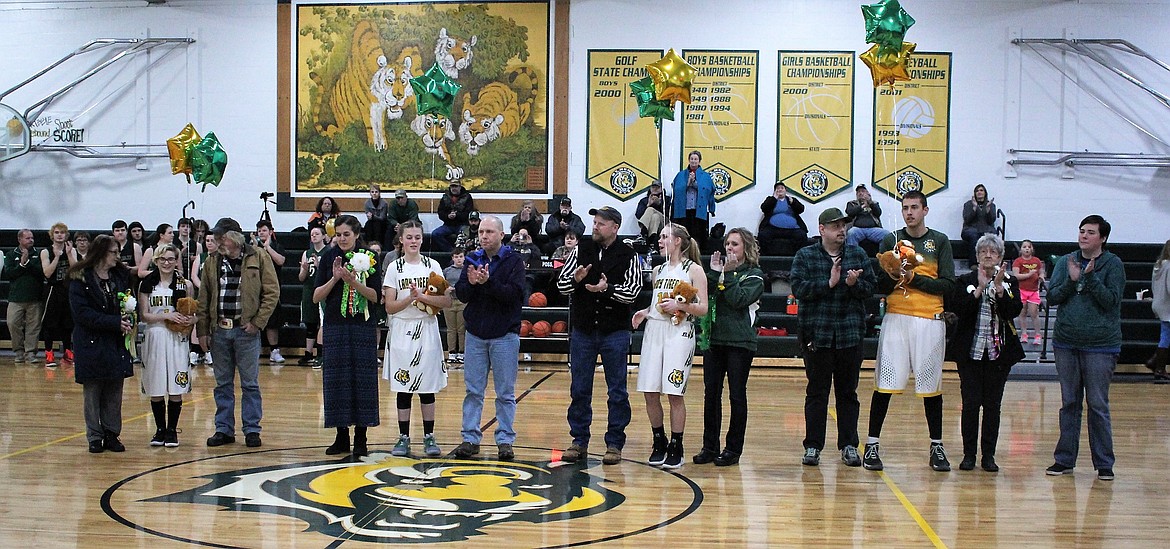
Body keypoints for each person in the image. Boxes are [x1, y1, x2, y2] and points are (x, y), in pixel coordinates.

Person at [864, 190, 956, 472]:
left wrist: (914, 279)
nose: (909, 213)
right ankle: (871, 445)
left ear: (925, 210)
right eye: (905, 208)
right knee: (885, 382)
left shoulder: (939, 241)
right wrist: (892, 276)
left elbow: (949, 285)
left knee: (931, 387)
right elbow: (878, 285)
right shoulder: (890, 239)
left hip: (930, 318)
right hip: (897, 317)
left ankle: (937, 446)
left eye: (914, 207)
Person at [557, 206, 643, 465]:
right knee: (580, 388)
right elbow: (561, 285)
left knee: (617, 390)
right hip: (583, 329)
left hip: (614, 331)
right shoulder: (580, 250)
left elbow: (633, 291)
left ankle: (614, 442)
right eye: (594, 222)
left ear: (615, 227)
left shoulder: (629, 255)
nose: (595, 227)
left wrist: (607, 290)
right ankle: (579, 440)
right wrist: (576, 279)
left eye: (601, 223)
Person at [790, 208, 876, 467]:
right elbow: (799, 289)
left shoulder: (858, 254)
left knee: (847, 393)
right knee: (817, 392)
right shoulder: (805, 256)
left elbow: (870, 288)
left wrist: (853, 285)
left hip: (850, 335)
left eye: (843, 226)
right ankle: (813, 446)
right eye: (835, 226)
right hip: (817, 335)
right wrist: (828, 283)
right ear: (822, 229)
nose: (841, 230)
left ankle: (849, 444)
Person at [1045, 215, 1124, 481]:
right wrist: (1071, 280)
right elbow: (1053, 296)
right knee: (1069, 403)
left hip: (1100, 346)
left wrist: (1089, 279)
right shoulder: (1068, 261)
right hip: (1066, 342)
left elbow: (1111, 301)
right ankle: (1064, 460)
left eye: (1090, 232)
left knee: (1098, 404)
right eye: (1081, 231)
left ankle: (1104, 463)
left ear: (1102, 238)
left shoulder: (1113, 265)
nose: (1084, 236)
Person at [196, 217, 280, 448]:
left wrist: (258, 323)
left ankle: (252, 430)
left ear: (233, 237)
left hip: (247, 332)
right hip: (219, 331)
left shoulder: (259, 256)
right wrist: (202, 330)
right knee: (222, 383)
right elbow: (204, 297)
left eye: (221, 237)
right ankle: (224, 429)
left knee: (250, 383)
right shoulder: (212, 261)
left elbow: (272, 292)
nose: (217, 241)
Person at [631, 223, 708, 469]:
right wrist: (644, 312)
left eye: (665, 237)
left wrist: (681, 306)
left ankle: (677, 444)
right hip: (654, 330)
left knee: (674, 392)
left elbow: (703, 308)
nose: (660, 240)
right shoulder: (658, 270)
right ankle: (658, 440)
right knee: (650, 391)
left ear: (678, 241)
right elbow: (657, 303)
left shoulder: (694, 270)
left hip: (679, 332)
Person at [947, 234, 1024, 472]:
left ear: (1000, 257)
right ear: (977, 256)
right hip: (970, 353)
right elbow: (960, 310)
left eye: (993, 252)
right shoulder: (966, 280)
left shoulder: (1009, 282)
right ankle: (969, 454)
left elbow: (1013, 310)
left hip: (998, 355)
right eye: (983, 252)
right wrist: (980, 287)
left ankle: (988, 456)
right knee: (970, 404)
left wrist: (999, 289)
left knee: (992, 406)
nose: (988, 255)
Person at [454, 215, 526, 461]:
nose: (484, 236)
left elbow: (514, 295)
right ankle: (470, 438)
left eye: (489, 232)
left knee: (505, 392)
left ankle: (505, 440)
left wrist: (487, 282)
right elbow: (462, 294)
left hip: (505, 335)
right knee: (473, 390)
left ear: (501, 235)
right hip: (475, 335)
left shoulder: (514, 261)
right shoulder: (472, 259)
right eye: (482, 232)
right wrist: (473, 284)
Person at [313, 215, 384, 457]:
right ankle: (341, 436)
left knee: (362, 381)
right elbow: (316, 297)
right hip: (335, 325)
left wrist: (354, 283)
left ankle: (361, 438)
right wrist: (335, 278)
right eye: (339, 234)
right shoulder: (327, 258)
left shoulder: (370, 258)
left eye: (346, 234)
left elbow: (375, 297)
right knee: (337, 381)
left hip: (362, 326)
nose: (342, 238)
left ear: (356, 234)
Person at [693, 228, 765, 466]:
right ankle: (709, 446)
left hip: (740, 342)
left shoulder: (755, 275)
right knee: (711, 394)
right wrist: (715, 275)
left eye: (735, 244)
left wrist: (729, 275)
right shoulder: (719, 271)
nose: (729, 248)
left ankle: (733, 449)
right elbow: (706, 298)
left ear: (746, 247)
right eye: (727, 244)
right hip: (714, 340)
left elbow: (738, 300)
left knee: (736, 395)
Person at [382, 220, 451, 457]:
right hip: (402, 329)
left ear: (422, 239)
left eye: (417, 237)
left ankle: (429, 436)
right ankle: (403, 437)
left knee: (427, 386)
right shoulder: (394, 267)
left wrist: (423, 297)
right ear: (401, 239)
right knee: (404, 387)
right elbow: (390, 307)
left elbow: (445, 302)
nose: (413, 241)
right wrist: (410, 299)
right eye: (409, 237)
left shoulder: (433, 266)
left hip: (427, 328)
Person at [68, 234, 134, 453]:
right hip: (91, 342)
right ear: (101, 253)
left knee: (115, 390)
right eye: (113, 252)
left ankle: (112, 433)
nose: (117, 257)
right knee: (93, 391)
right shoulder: (81, 278)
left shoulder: (120, 276)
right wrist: (114, 322)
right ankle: (94, 436)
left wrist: (128, 318)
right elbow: (82, 314)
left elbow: (127, 302)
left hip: (116, 341)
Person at [138, 244, 194, 447]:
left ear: (177, 260)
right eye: (163, 259)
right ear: (156, 261)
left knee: (176, 385)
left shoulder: (185, 284)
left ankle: (172, 430)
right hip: (155, 335)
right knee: (156, 385)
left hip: (176, 338)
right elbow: (144, 315)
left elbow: (193, 314)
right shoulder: (147, 283)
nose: (167, 263)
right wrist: (166, 315)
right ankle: (159, 429)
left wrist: (190, 321)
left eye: (171, 259)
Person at [4, 228, 44, 363]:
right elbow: (9, 274)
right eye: (27, 238)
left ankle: (30, 353)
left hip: (35, 297)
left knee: (34, 327)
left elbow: (41, 272)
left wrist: (27, 262)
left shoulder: (38, 254)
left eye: (32, 238)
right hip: (16, 297)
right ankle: (18, 351)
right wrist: (21, 264)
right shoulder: (10, 255)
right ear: (19, 239)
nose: (31, 240)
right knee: (12, 323)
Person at [40, 223, 76, 367]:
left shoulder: (71, 250)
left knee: (67, 323)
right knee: (49, 323)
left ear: (66, 235)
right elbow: (47, 273)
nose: (60, 235)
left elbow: (76, 270)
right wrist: (56, 257)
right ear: (52, 235)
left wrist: (68, 254)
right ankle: (49, 353)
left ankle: (67, 352)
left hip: (67, 288)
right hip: (53, 289)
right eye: (57, 232)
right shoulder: (46, 251)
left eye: (62, 232)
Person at [252, 220, 288, 363]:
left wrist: (268, 248)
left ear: (271, 232)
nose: (261, 233)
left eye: (264, 230)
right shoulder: (253, 247)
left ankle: (274, 350)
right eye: (259, 231)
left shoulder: (277, 246)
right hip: (255, 289)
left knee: (272, 322)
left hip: (272, 290)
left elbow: (281, 261)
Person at [671, 151, 717, 252]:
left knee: (698, 234)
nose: (693, 161)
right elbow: (676, 190)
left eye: (696, 159)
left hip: (698, 211)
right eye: (692, 159)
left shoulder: (705, 176)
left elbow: (708, 190)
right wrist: (687, 183)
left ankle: (697, 252)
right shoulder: (680, 175)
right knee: (684, 233)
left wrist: (695, 183)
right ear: (689, 160)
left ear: (699, 161)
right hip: (684, 210)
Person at [298, 226, 327, 366]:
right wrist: (304, 269)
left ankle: (321, 354)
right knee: (310, 323)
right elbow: (301, 278)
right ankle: (308, 353)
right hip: (309, 289)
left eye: (317, 233)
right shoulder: (307, 253)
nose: (314, 236)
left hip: (323, 289)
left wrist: (318, 265)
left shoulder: (328, 252)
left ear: (323, 236)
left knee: (323, 322)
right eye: (312, 234)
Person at [188, 232, 218, 366]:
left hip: (216, 294)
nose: (209, 243)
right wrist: (203, 287)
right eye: (207, 240)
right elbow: (194, 276)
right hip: (201, 294)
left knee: (212, 322)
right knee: (198, 320)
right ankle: (194, 351)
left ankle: (209, 351)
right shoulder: (201, 257)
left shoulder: (220, 258)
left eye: (212, 240)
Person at [757, 182, 808, 256]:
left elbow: (801, 209)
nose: (780, 190)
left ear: (785, 190)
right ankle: (766, 258)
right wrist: (774, 199)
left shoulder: (791, 200)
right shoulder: (770, 199)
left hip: (792, 229)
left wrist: (793, 202)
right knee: (763, 235)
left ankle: (798, 257)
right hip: (773, 228)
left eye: (782, 188)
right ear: (775, 191)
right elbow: (764, 208)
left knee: (802, 235)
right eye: (777, 189)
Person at [1012, 239, 1046, 345]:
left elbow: (1041, 272)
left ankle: (1037, 335)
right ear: (1021, 249)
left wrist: (1041, 277)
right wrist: (1029, 274)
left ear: (1032, 249)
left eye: (1029, 247)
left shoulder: (1036, 261)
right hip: (1021, 290)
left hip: (1033, 290)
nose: (1027, 249)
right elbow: (1016, 275)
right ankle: (1024, 333)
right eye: (1024, 247)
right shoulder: (1018, 261)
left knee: (1034, 312)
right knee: (1022, 312)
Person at [1146, 240, 1170, 383]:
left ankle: (1155, 362)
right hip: (1168, 305)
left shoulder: (1159, 264)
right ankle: (1159, 368)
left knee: (1165, 334)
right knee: (1166, 337)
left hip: (1159, 303)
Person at [432, 180, 475, 252]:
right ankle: (451, 251)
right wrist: (447, 216)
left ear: (460, 187)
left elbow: (468, 213)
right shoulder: (445, 197)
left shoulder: (467, 197)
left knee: (464, 235)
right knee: (435, 234)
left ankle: (460, 253)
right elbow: (440, 213)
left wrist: (457, 215)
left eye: (456, 186)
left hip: (463, 224)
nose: (454, 188)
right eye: (452, 186)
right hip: (448, 225)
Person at [961, 184, 998, 268]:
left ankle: (991, 264)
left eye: (981, 190)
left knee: (990, 237)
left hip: (986, 229)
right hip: (970, 229)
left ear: (985, 193)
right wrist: (974, 208)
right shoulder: (968, 204)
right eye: (977, 191)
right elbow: (967, 220)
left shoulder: (991, 205)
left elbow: (991, 221)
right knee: (974, 236)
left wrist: (988, 210)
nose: (979, 192)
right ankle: (974, 264)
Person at [443, 247, 468, 364]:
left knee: (461, 329)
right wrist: (447, 289)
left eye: (461, 256)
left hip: (462, 301)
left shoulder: (467, 270)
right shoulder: (446, 271)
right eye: (456, 257)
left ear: (464, 257)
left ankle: (462, 352)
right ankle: (452, 352)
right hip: (449, 302)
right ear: (453, 258)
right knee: (451, 329)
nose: (459, 259)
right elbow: (441, 285)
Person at [845, 185, 889, 250]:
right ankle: (853, 258)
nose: (860, 193)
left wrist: (870, 203)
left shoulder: (874, 203)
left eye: (863, 191)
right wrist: (862, 206)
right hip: (857, 229)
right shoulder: (852, 203)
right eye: (858, 192)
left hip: (872, 230)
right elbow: (850, 212)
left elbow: (878, 213)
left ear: (868, 193)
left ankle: (882, 257)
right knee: (851, 233)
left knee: (886, 234)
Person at [635, 181, 672, 249]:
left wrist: (660, 204)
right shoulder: (644, 200)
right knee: (655, 216)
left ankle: (643, 232)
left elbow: (670, 214)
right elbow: (638, 215)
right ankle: (652, 241)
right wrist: (648, 204)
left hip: (664, 223)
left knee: (650, 210)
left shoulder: (667, 199)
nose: (655, 189)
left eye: (657, 187)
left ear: (661, 189)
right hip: (653, 226)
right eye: (653, 187)